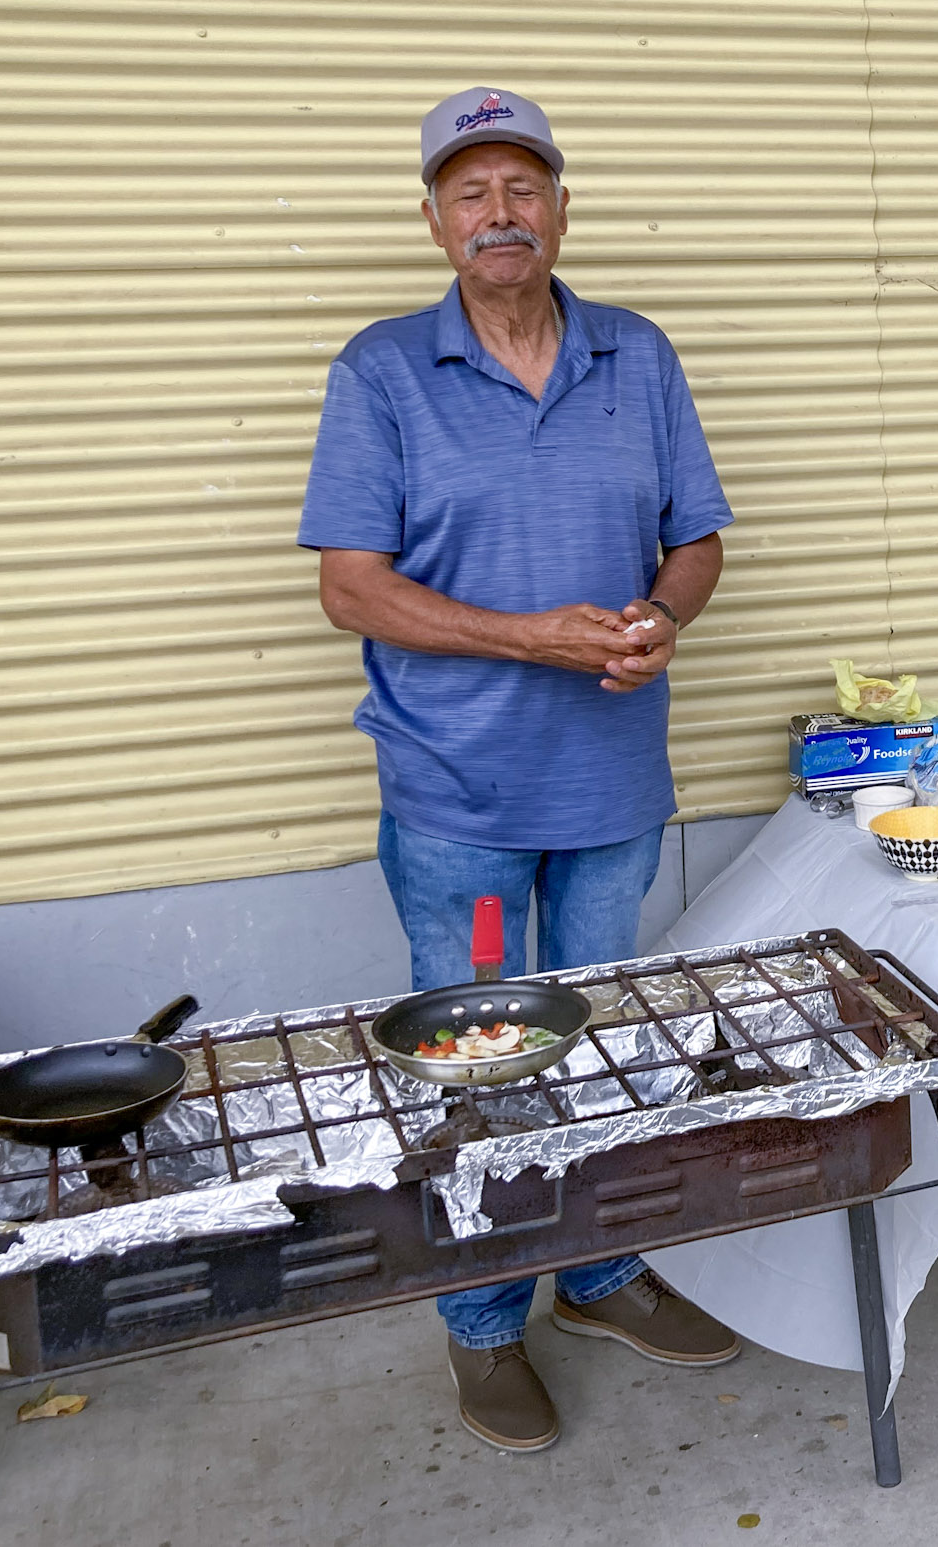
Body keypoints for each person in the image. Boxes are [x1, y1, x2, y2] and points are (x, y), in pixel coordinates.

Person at [299, 87, 740, 1454]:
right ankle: (486, 1321)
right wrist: (527, 638)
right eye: (471, 192)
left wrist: (662, 615)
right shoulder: (384, 370)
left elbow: (698, 540)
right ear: (436, 220)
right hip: (463, 796)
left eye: (524, 187)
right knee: (483, 1068)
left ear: (560, 206)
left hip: (609, 783)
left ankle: (599, 1276)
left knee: (597, 1044)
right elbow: (352, 589)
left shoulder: (635, 353)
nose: (501, 214)